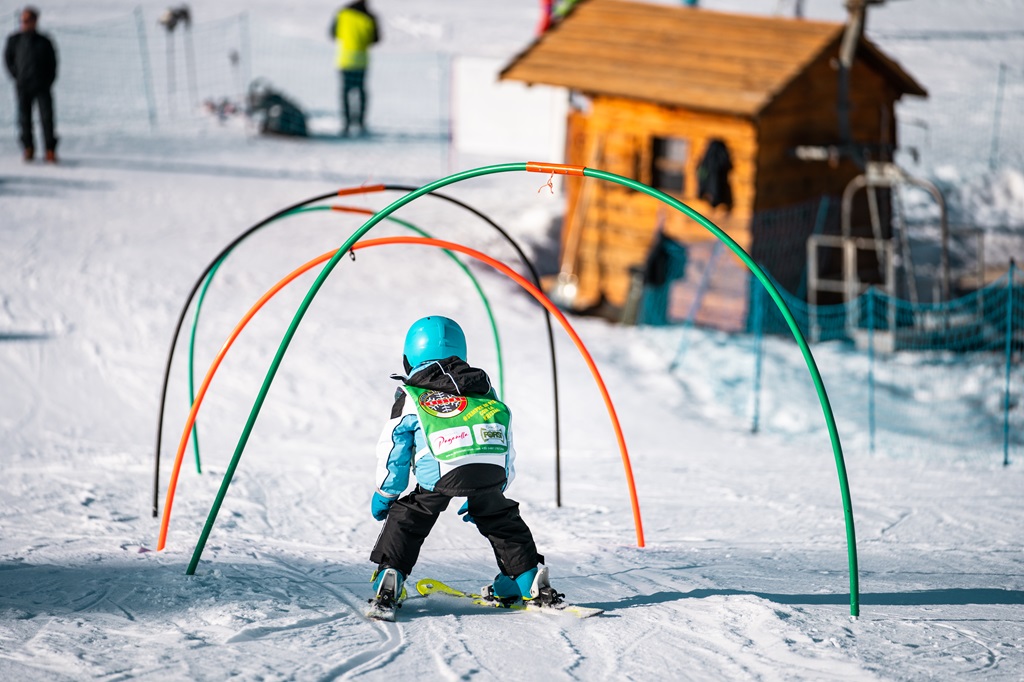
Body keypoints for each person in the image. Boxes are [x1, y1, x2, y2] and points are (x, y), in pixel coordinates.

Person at [368, 316, 561, 613]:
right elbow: (503, 432)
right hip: (489, 466)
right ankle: (528, 579)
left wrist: (386, 493)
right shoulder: (481, 387)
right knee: (499, 517)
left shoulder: (411, 393)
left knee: (410, 516)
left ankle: (390, 574)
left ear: (409, 358)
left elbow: (396, 446)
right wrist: (494, 487)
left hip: (439, 470)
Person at [4, 6, 58, 163]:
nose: (24, 23)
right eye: (23, 20)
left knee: (47, 118)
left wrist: (48, 80)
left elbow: (53, 63)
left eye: (28, 20)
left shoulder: (44, 41)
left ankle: (50, 150)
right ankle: (28, 148)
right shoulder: (15, 40)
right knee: (24, 118)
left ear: (35, 21)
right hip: (23, 86)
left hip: (42, 86)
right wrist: (17, 76)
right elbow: (8, 60)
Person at [329, 1, 379, 137]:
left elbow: (333, 34)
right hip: (362, 61)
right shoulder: (370, 17)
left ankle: (346, 123)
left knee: (345, 92)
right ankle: (361, 123)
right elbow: (376, 39)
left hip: (345, 60)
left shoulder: (342, 14)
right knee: (361, 92)